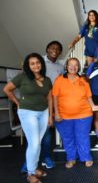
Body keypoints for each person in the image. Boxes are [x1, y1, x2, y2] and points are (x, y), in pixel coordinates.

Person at [3, 53, 53, 183]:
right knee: (34, 144)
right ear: (28, 65)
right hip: (27, 112)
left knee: (37, 143)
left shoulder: (47, 79)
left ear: (41, 64)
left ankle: (34, 168)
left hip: (43, 112)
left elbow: (49, 98)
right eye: (32, 63)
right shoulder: (22, 77)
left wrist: (50, 115)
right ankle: (30, 174)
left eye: (38, 62)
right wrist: (17, 102)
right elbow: (7, 89)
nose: (36, 65)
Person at [20, 41, 64, 173]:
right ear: (47, 49)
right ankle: (29, 163)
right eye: (52, 48)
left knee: (46, 135)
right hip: (32, 105)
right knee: (32, 137)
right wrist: (19, 102)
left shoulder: (60, 67)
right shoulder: (38, 61)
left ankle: (46, 157)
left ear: (60, 52)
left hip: (47, 104)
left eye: (57, 49)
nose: (54, 50)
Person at [53, 58, 98, 169]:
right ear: (66, 66)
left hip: (84, 114)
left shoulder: (83, 80)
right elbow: (55, 97)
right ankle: (71, 158)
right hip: (64, 116)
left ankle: (86, 157)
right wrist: (57, 113)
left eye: (76, 65)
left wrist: (93, 106)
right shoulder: (59, 80)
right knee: (68, 138)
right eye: (70, 65)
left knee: (82, 137)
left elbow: (88, 96)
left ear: (78, 67)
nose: (73, 67)